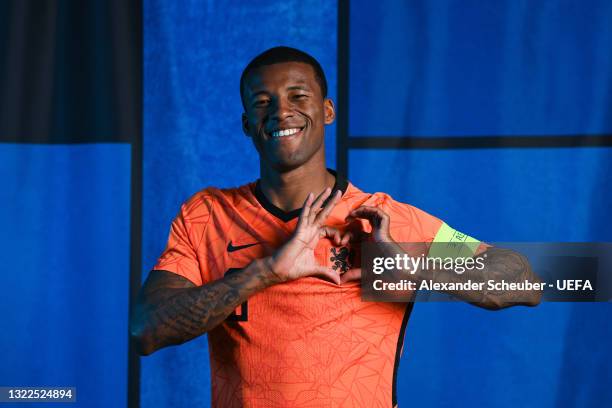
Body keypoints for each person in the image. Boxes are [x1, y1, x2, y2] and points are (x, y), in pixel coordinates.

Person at [130, 46, 542, 407]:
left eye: (298, 96)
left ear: (326, 110)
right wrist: (266, 272)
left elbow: (527, 282)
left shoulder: (382, 219)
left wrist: (414, 268)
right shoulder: (208, 214)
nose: (280, 111)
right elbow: (145, 330)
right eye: (262, 102)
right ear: (246, 124)